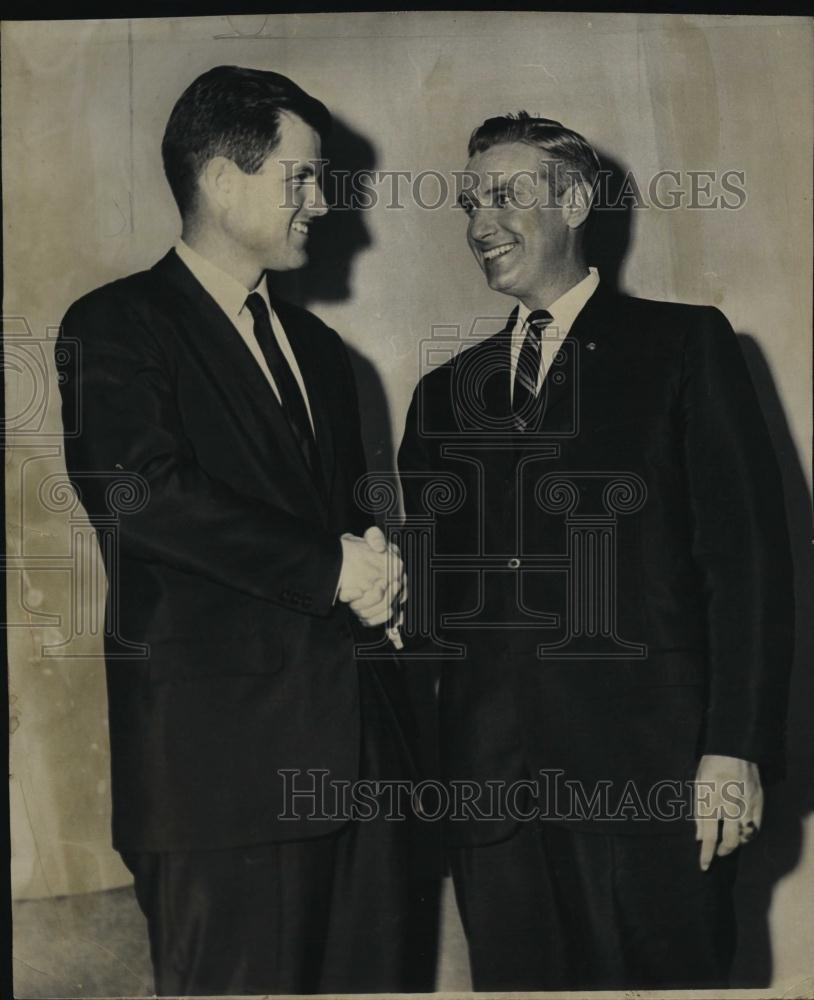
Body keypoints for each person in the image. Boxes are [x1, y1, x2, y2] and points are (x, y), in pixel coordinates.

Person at [397, 112, 794, 990]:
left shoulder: (683, 346)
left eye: (504, 194)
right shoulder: (441, 397)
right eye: (468, 204)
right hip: (491, 802)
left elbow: (748, 569)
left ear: (575, 202)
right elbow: (426, 612)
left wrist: (734, 749)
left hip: (653, 786)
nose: (480, 222)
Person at [56, 65, 423, 995]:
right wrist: (333, 568)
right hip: (220, 785)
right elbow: (139, 492)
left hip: (365, 779)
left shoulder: (323, 354)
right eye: (302, 177)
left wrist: (382, 583)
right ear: (222, 179)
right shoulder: (116, 325)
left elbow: (349, 531)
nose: (322, 203)